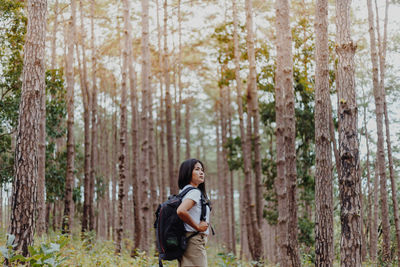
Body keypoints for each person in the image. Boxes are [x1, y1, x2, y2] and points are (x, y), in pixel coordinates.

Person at [176, 158, 211, 267]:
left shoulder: (183, 192)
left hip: (187, 240)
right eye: (197, 169)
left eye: (202, 170)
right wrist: (198, 227)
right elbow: (181, 211)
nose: (201, 172)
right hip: (194, 240)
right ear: (187, 172)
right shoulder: (194, 192)